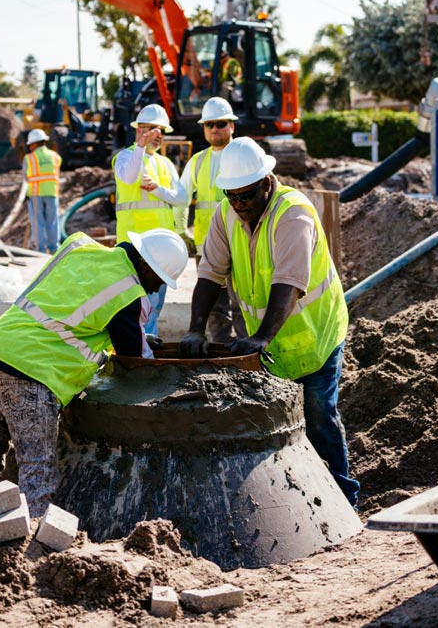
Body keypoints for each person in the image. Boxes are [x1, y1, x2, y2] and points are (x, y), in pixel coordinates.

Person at [179, 137, 359, 507]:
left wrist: (261, 336)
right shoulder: (227, 214)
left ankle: (344, 498)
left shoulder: (292, 212)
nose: (238, 205)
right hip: (273, 344)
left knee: (318, 415)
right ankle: (295, 500)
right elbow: (210, 273)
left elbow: (288, 282)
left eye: (245, 196)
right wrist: (196, 327)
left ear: (266, 183)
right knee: (275, 420)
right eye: (231, 196)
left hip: (315, 335)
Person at [0, 228, 189, 516]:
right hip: (32, 371)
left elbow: (70, 310)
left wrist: (136, 335)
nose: (157, 290)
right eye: (159, 280)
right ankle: (30, 539)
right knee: (37, 471)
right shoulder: (129, 295)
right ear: (146, 266)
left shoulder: (81, 247)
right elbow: (137, 361)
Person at [174, 96, 247, 343]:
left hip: (241, 243)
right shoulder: (198, 161)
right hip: (207, 247)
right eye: (209, 124)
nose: (214, 129)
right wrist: (181, 230)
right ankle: (223, 350)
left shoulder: (244, 155)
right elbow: (181, 197)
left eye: (221, 123)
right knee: (215, 306)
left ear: (232, 126)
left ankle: (247, 351)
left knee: (244, 302)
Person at [113, 104, 187, 336]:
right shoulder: (126, 157)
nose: (157, 135)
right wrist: (140, 147)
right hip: (133, 247)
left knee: (154, 307)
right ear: (138, 130)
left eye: (161, 131)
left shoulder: (165, 164)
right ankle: (137, 349)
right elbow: (129, 177)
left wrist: (156, 189)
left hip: (161, 251)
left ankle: (148, 348)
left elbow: (181, 198)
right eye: (152, 129)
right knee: (133, 306)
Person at [23, 128, 62, 254]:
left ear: (35, 143)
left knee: (37, 222)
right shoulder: (55, 156)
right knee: (53, 221)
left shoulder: (29, 158)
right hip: (52, 193)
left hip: (35, 194)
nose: (29, 147)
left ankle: (40, 250)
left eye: (30, 144)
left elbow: (25, 178)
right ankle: (54, 249)